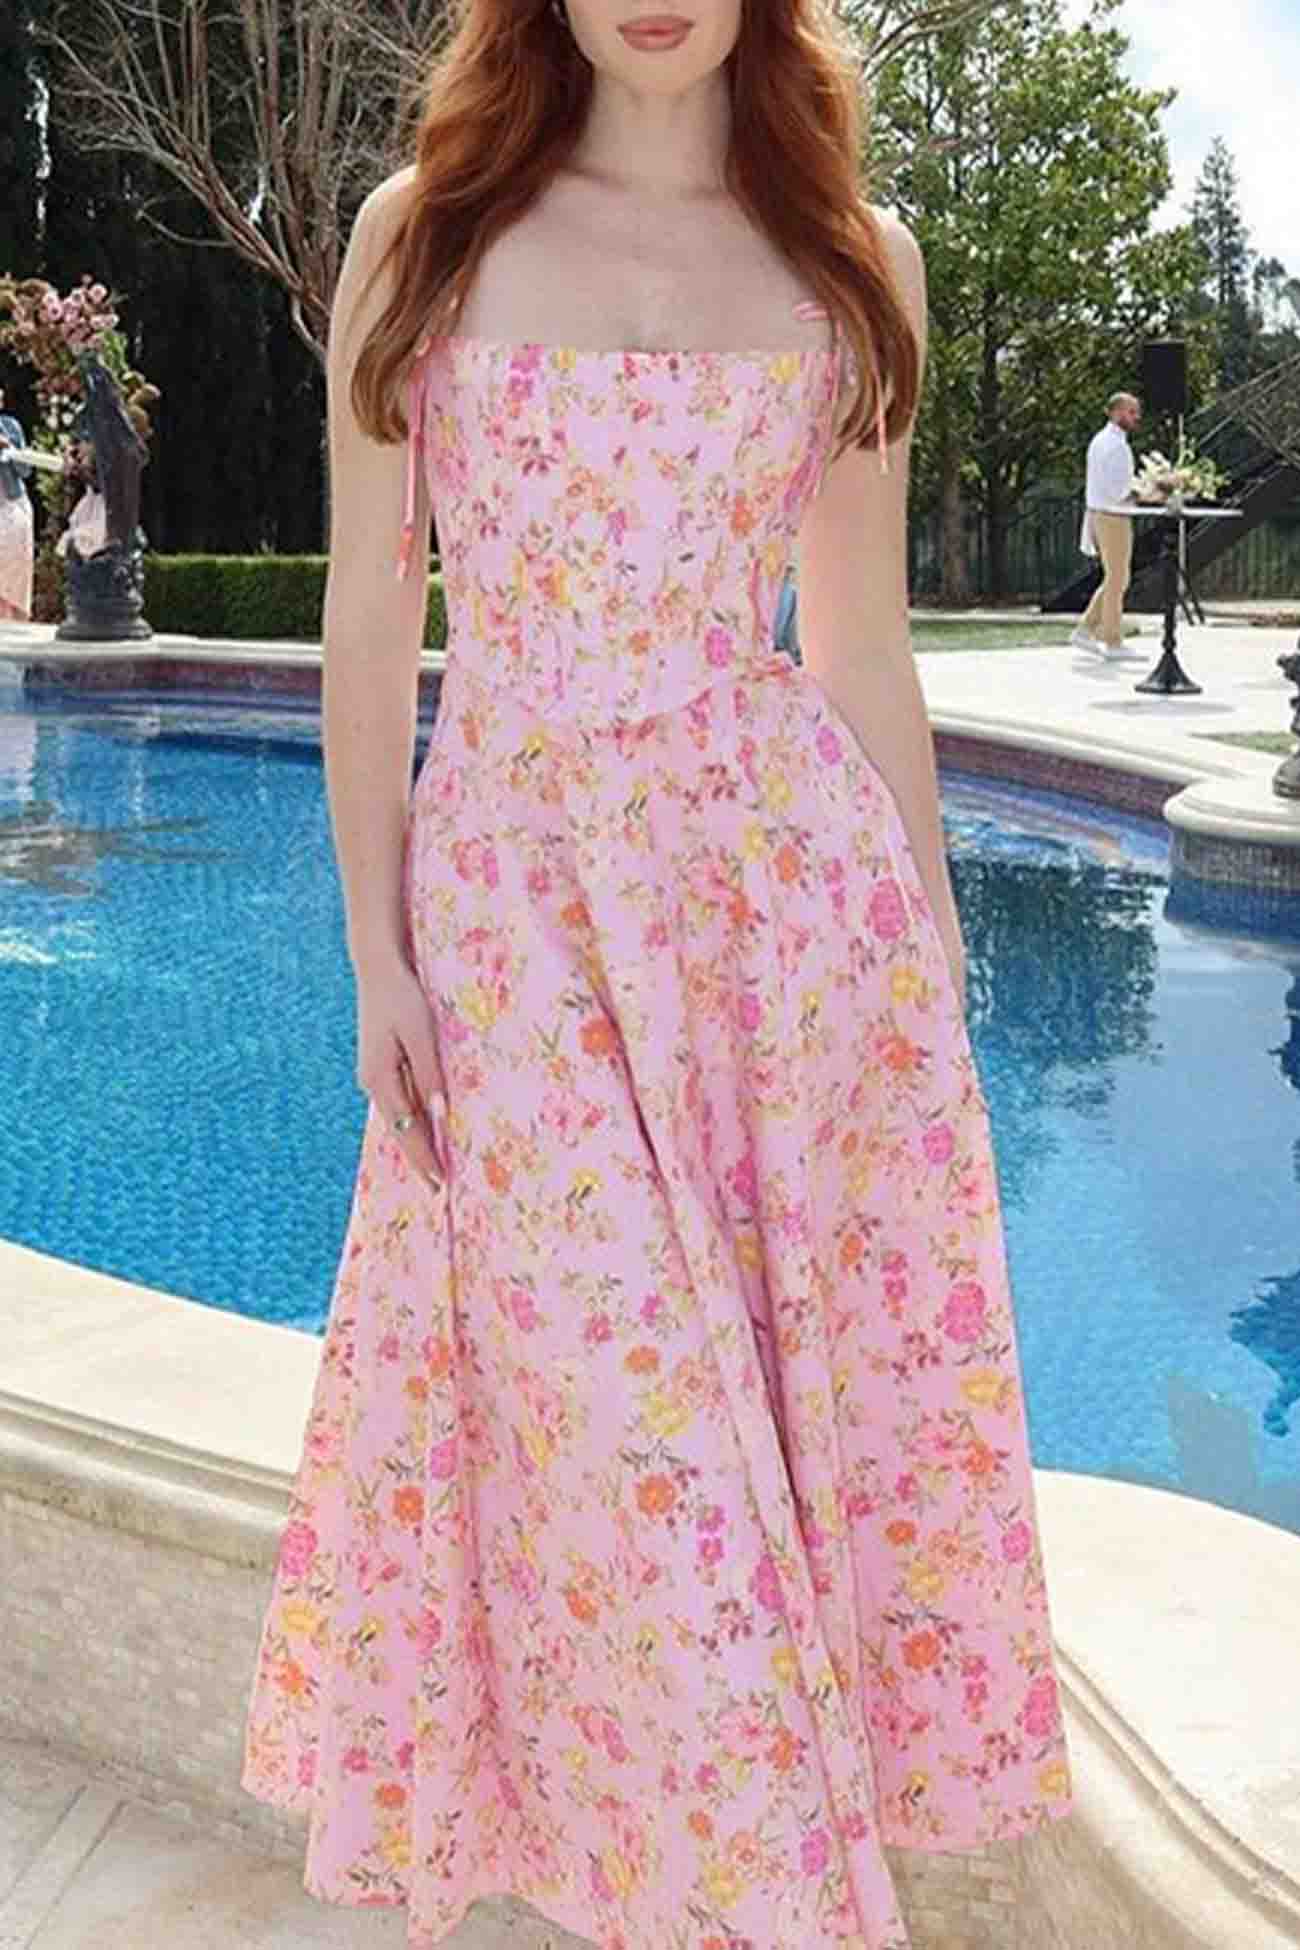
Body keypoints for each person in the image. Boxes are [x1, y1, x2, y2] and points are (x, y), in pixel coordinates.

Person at [240, 4, 1074, 1945]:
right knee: (622, 1434)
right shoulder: (427, 231)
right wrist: (374, 948)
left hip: (779, 925)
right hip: (512, 917)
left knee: (746, 1435)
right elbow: (371, 609)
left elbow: (857, 643)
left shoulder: (854, 257)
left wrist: (928, 956)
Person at [1071, 390, 1146, 660]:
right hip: (1112, 515)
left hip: (1103, 514)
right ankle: (1111, 640)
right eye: (1130, 411)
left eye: (1136, 412)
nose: (1135, 417)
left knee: (1117, 578)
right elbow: (1117, 490)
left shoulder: (1103, 441)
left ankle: (1086, 629)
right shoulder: (1114, 445)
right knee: (1117, 579)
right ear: (1115, 412)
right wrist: (1147, 492)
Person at [0, 385, 35, 622]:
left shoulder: (11, 426)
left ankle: (11, 618)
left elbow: (25, 470)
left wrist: (8, 448)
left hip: (12, 500)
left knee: (13, 559)